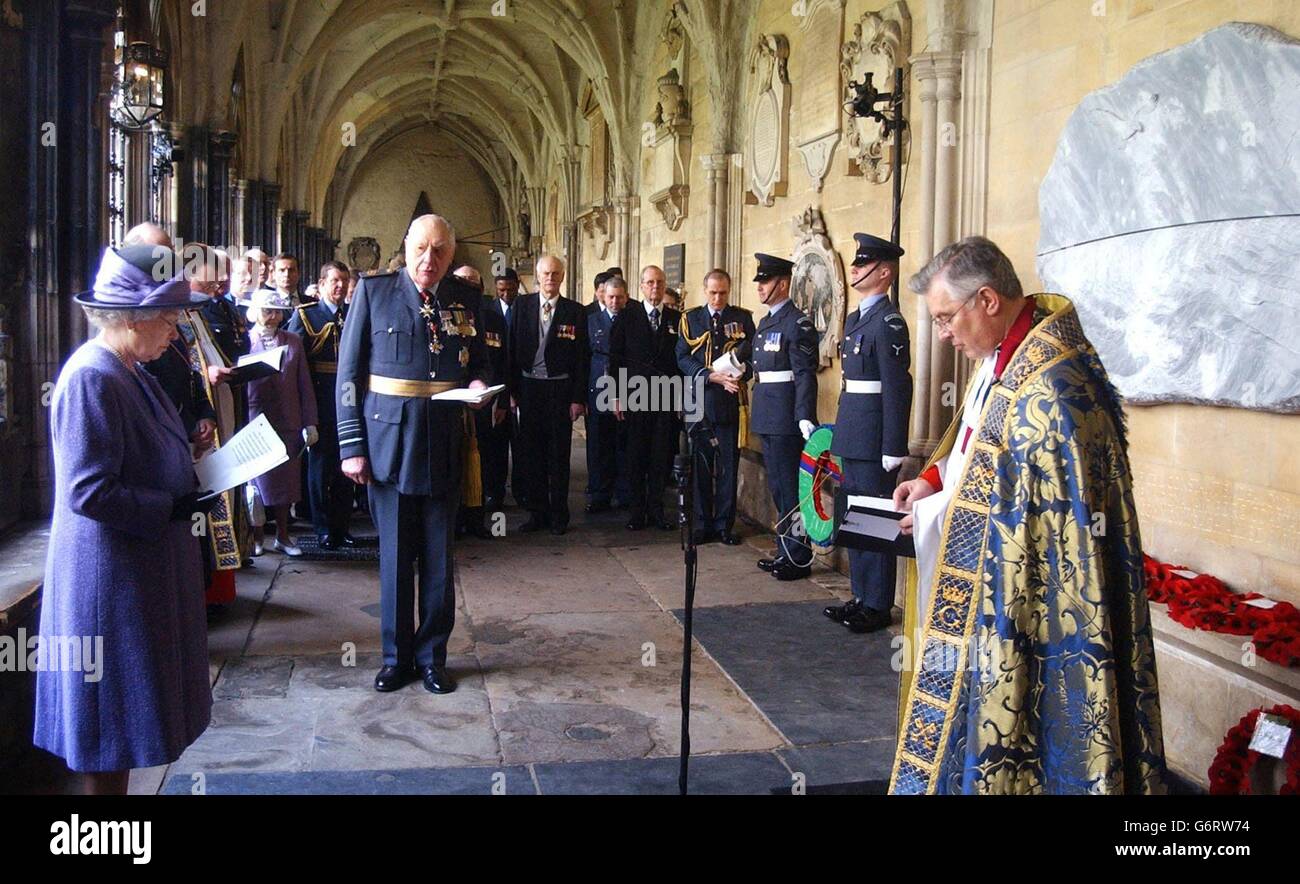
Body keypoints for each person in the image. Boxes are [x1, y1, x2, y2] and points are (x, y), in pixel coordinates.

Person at [889, 236, 1166, 795]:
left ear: (987, 300)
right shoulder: (1003, 356)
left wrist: (941, 511)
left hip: (1033, 607)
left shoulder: (1052, 389)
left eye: (946, 318)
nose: (943, 334)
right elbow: (977, 446)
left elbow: (1038, 515)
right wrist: (933, 481)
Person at [35, 245, 213, 793]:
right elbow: (87, 490)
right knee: (108, 728)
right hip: (107, 585)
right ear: (131, 316)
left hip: (137, 573)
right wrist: (171, 507)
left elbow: (144, 449)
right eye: (169, 316)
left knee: (126, 725)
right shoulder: (93, 376)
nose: (177, 330)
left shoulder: (129, 369)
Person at [336, 214, 491, 695]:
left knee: (440, 560)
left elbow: (480, 360)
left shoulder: (466, 298)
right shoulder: (374, 291)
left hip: (445, 438)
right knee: (396, 559)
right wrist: (351, 446)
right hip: (388, 443)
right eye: (422, 248)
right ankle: (395, 658)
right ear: (406, 246)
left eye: (441, 250)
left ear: (452, 253)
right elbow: (348, 375)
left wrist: (481, 384)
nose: (430, 260)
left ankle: (432, 659)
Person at [823, 233, 913, 633]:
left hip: (876, 440)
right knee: (855, 517)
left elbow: (897, 386)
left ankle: (877, 605)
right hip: (855, 435)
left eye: (863, 264)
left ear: (884, 272)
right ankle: (861, 595)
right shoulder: (859, 318)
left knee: (876, 521)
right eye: (856, 263)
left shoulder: (889, 322)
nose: (854, 269)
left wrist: (894, 445)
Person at [506, 254, 588, 535]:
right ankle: (537, 513)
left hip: (560, 390)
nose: (550, 279)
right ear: (537, 277)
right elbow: (511, 350)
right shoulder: (522, 306)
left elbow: (582, 358)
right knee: (532, 455)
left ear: (562, 277)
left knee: (558, 455)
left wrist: (578, 398)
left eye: (555, 274)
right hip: (529, 389)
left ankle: (558, 516)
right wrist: (512, 391)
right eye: (545, 274)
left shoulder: (575, 311)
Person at [748, 253, 819, 581]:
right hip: (767, 412)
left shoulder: (797, 323)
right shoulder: (766, 322)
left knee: (790, 489)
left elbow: (805, 373)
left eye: (766, 282)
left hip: (786, 417)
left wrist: (804, 414)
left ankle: (797, 555)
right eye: (760, 282)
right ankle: (784, 549)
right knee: (778, 488)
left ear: (783, 284)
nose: (760, 288)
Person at [676, 269, 754, 545]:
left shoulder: (742, 318)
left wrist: (737, 374)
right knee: (700, 465)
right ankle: (702, 524)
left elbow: (753, 360)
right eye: (713, 292)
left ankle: (724, 524)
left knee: (728, 467)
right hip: (699, 401)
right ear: (704, 290)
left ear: (729, 290)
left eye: (722, 292)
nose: (718, 298)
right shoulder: (691, 318)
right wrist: (710, 375)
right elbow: (682, 357)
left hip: (728, 402)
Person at [241, 289, 318, 556]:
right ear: (255, 312)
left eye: (276, 311)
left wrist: (310, 423)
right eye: (266, 311)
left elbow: (304, 385)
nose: (272, 316)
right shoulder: (244, 340)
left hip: (289, 419)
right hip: (255, 419)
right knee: (257, 484)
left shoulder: (293, 341)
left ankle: (284, 537)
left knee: (286, 483)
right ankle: (258, 537)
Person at [286, 260, 355, 549]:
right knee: (319, 466)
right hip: (319, 396)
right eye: (334, 281)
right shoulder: (306, 315)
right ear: (322, 283)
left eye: (344, 281)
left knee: (347, 464)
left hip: (349, 399)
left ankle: (342, 526)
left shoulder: (354, 314)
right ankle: (323, 527)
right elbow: (293, 363)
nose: (339, 286)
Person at [609, 266, 680, 531]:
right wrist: (615, 395)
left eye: (659, 283)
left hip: (664, 398)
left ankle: (658, 511)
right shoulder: (627, 316)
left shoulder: (676, 318)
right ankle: (637, 512)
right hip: (634, 397)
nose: (655, 287)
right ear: (641, 287)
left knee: (660, 457)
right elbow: (614, 359)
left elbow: (681, 362)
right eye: (650, 282)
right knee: (636, 456)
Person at [585, 273, 629, 513]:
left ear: (626, 298)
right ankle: (598, 492)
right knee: (598, 444)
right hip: (597, 388)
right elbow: (583, 358)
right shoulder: (591, 320)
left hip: (626, 390)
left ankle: (624, 492)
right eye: (611, 297)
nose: (615, 302)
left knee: (623, 444)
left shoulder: (632, 321)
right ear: (603, 296)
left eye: (619, 298)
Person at [482, 268, 521, 510]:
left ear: (518, 286)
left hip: (520, 388)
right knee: (495, 447)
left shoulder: (526, 308)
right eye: (501, 290)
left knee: (521, 446)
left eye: (510, 289)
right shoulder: (489, 313)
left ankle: (521, 490)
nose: (506, 294)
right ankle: (494, 492)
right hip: (496, 391)